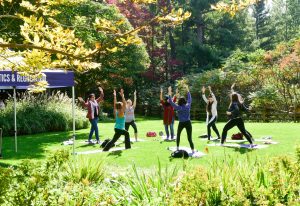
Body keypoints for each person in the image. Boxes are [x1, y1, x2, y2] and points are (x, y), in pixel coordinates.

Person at [168, 85, 195, 153]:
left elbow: (171, 102)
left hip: (181, 123)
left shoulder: (178, 107)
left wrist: (169, 93)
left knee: (178, 135)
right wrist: (187, 90)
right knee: (189, 138)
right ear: (184, 101)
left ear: (179, 102)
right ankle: (193, 150)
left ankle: (177, 147)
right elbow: (190, 99)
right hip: (188, 123)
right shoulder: (188, 106)